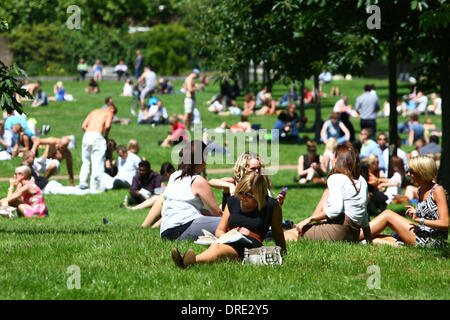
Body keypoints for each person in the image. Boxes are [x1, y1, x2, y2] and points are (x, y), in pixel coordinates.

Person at [171, 171, 286, 268]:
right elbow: (220, 229)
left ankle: (190, 261)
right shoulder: (233, 201)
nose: (243, 197)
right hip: (229, 240)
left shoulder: (271, 205)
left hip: (251, 247)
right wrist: (229, 235)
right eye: (241, 193)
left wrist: (283, 253)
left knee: (218, 249)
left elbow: (278, 233)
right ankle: (186, 260)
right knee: (216, 246)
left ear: (259, 194)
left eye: (249, 195)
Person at [285, 143, 371, 243]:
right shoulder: (362, 180)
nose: (331, 160)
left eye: (334, 156)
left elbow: (336, 209)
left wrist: (310, 219)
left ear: (339, 160)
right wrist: (369, 240)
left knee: (292, 233)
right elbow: (363, 213)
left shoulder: (335, 178)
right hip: (353, 234)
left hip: (337, 231)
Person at [361, 156, 448, 247]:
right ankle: (399, 245)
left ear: (422, 172)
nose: (408, 174)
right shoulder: (420, 190)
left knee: (388, 215)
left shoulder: (437, 190)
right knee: (375, 239)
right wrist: (416, 212)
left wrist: (419, 220)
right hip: (421, 232)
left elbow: (445, 223)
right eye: (408, 171)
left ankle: (352, 237)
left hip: (434, 239)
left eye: (412, 171)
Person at [160, 140, 223, 241]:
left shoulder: (174, 176)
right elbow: (217, 214)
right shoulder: (198, 181)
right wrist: (228, 187)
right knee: (230, 222)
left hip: (166, 232)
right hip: (184, 227)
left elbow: (189, 208)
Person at [79, 104, 117, 191]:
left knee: (85, 161)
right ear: (112, 110)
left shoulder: (94, 111)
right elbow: (107, 126)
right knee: (97, 162)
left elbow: (83, 126)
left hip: (87, 135)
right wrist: (106, 136)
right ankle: (95, 186)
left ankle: (83, 183)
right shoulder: (109, 113)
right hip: (97, 136)